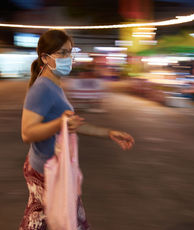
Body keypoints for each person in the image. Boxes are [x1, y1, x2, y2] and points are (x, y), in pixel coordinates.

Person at [19, 29, 135, 230]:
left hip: (54, 168)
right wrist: (59, 123)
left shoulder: (55, 84)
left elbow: (72, 123)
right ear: (45, 58)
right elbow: (27, 133)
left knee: (62, 220)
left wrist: (108, 132)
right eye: (62, 53)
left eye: (69, 52)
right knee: (57, 221)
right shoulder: (42, 88)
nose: (68, 58)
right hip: (45, 172)